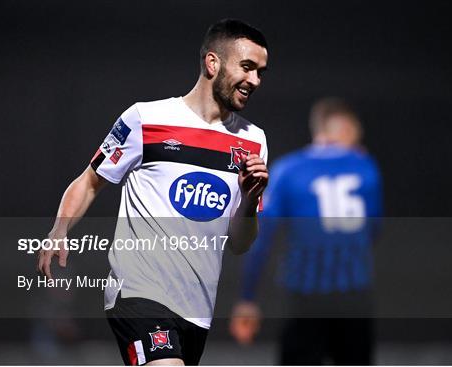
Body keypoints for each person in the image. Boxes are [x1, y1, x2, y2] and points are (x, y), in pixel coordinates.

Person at [38, 19, 269, 366]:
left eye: (260, 72)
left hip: (197, 310)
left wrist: (250, 199)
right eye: (247, 67)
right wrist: (59, 229)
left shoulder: (254, 141)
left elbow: (239, 243)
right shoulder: (146, 119)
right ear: (212, 63)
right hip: (138, 293)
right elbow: (90, 180)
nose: (255, 80)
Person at [230, 97, 382, 365]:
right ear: (345, 128)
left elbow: (262, 237)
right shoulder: (365, 166)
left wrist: (248, 297)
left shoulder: (289, 169)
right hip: (356, 296)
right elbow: (374, 230)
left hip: (304, 297)